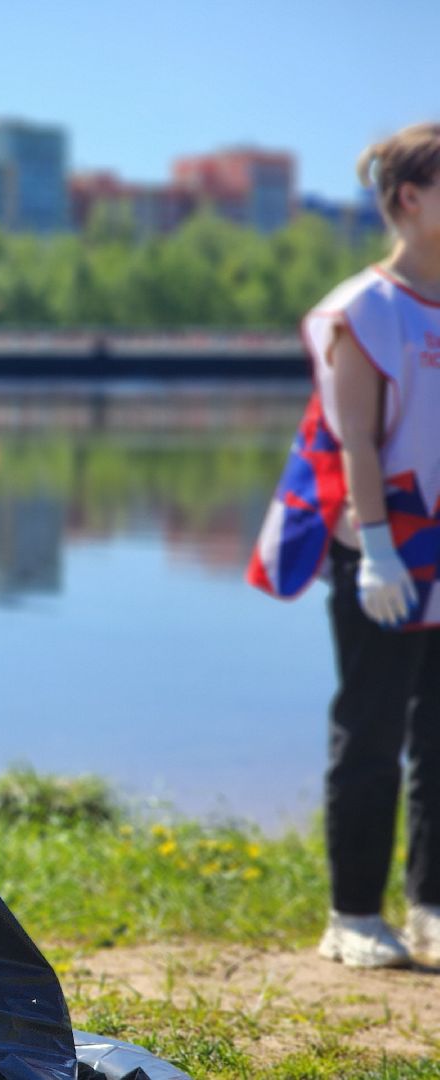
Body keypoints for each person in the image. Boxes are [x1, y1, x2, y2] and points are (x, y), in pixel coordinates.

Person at [248, 122, 440, 969]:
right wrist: (376, 550)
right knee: (369, 729)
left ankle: (431, 904)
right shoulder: (362, 309)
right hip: (383, 550)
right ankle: (351, 915)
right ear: (410, 199)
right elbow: (354, 439)